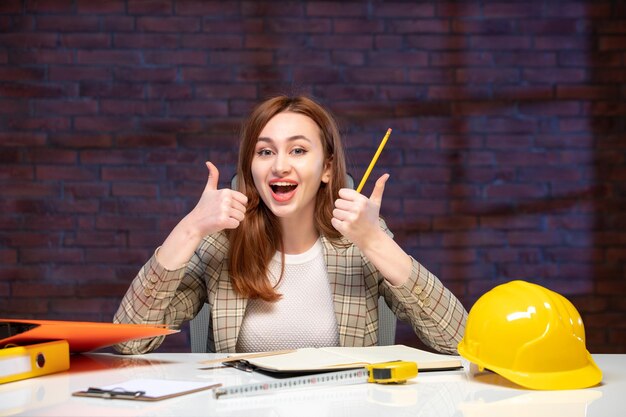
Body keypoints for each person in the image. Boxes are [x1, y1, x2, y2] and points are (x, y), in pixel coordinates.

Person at [113, 95, 467, 355]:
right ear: (250, 166)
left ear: (327, 168)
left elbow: (459, 340)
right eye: (265, 152)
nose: (280, 166)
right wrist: (189, 229)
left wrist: (375, 241)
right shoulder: (223, 243)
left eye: (298, 150)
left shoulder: (361, 238)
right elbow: (128, 341)